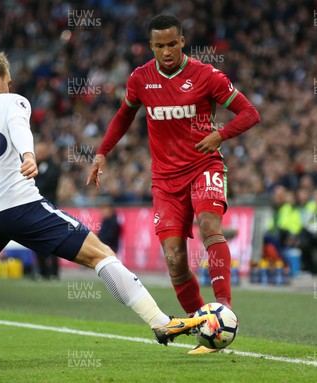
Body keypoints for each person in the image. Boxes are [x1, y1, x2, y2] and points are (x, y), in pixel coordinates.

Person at [0, 51, 208, 365]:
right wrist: (29, 155)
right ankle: (160, 321)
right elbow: (20, 129)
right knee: (99, 254)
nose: (9, 86)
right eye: (6, 80)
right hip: (22, 207)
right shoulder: (12, 101)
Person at [87, 14, 260, 355]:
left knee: (210, 225)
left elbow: (249, 113)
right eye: (159, 46)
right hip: (165, 181)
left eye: (171, 44)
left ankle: (224, 310)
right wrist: (102, 152)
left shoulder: (206, 75)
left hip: (203, 166)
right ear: (151, 46)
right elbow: (124, 115)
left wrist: (220, 134)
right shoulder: (140, 79)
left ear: (182, 41)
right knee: (175, 258)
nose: (166, 51)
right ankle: (205, 327)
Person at [33, 141, 61, 279]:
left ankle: (54, 272)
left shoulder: (54, 167)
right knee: (37, 240)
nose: (37, 154)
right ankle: (42, 270)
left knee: (53, 241)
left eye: (39, 151)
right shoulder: (36, 166)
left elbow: (43, 186)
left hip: (50, 208)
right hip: (37, 209)